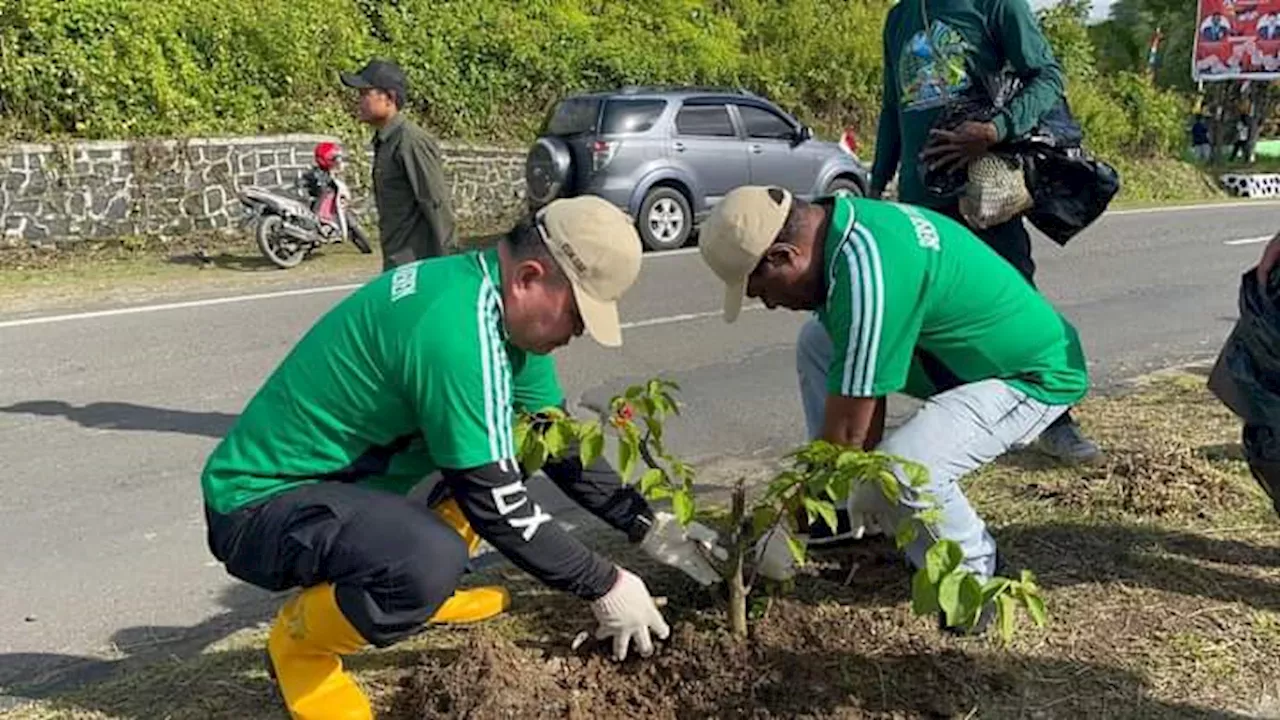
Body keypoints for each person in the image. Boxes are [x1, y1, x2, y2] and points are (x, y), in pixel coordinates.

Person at [201, 196, 723, 720]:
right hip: (256, 508)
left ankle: (415, 588)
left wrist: (645, 523)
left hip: (348, 490)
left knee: (521, 444)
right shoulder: (456, 333)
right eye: (578, 314)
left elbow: (555, 442)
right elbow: (495, 504)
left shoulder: (491, 304)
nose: (579, 332)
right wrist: (605, 584)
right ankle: (302, 643)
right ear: (529, 277)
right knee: (424, 561)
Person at [697, 186, 1089, 633]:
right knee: (816, 341)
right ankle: (843, 515)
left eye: (761, 288)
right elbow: (858, 412)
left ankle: (978, 580)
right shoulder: (840, 231)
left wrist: (785, 524)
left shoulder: (868, 272)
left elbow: (851, 437)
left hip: (1032, 374)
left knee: (904, 467)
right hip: (962, 363)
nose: (767, 303)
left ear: (786, 256)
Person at [869, 0, 1101, 466]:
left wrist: (995, 129)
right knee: (927, 316)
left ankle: (1056, 422)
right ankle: (962, 420)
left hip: (984, 191)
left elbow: (1048, 77)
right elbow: (894, 106)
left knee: (1015, 303)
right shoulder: (900, 17)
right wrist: (876, 182)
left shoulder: (997, 6)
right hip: (921, 197)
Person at [341, 58, 456, 270]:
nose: (359, 101)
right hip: (398, 262)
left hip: (418, 266)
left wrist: (448, 267)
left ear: (389, 98)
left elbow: (436, 204)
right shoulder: (386, 141)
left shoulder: (411, 141)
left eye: (366, 94)